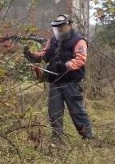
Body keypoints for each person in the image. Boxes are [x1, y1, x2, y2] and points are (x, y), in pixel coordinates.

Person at [23, 13, 94, 142]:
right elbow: (45, 54)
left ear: (69, 25)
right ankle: (57, 139)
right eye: (57, 27)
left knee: (77, 111)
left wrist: (65, 66)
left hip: (71, 82)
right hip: (54, 81)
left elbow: (81, 59)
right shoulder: (53, 40)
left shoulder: (79, 41)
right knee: (54, 112)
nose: (59, 29)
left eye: (62, 27)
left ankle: (87, 137)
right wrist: (32, 56)